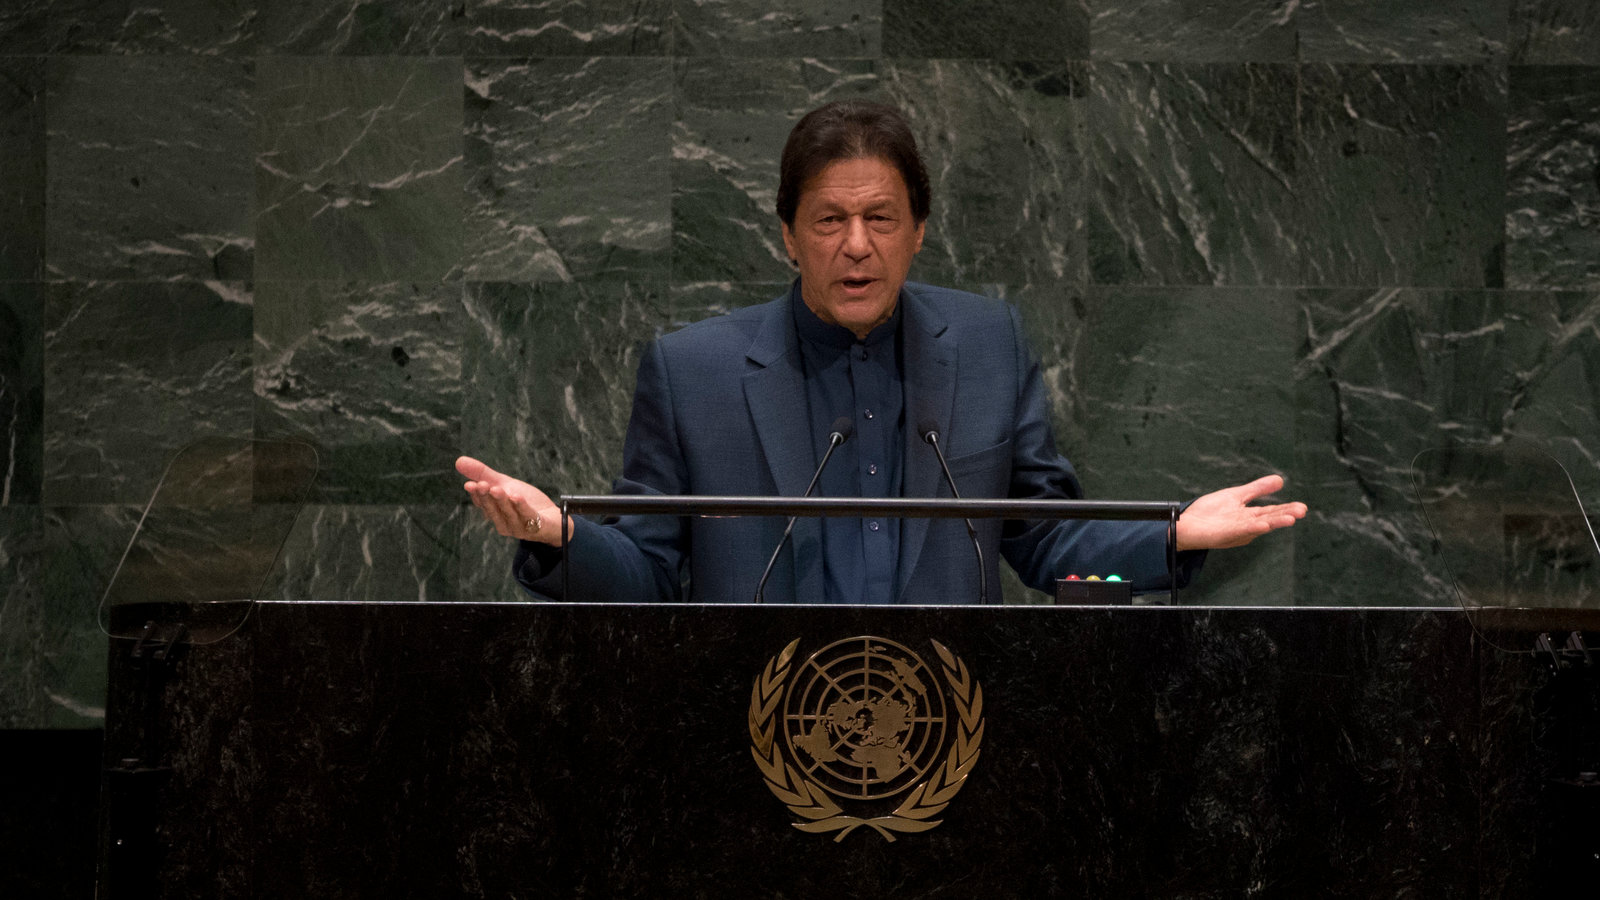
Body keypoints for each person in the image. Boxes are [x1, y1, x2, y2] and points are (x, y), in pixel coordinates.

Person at [457, 100, 1305, 604]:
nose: (856, 245)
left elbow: (1047, 543)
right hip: (755, 732)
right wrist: (561, 536)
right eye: (830, 220)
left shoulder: (988, 345)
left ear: (919, 231)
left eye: (881, 219)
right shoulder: (695, 373)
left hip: (950, 728)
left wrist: (1173, 538)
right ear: (788, 236)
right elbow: (646, 574)